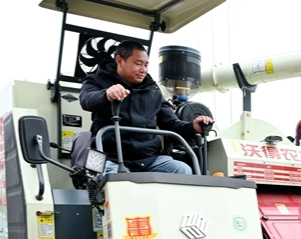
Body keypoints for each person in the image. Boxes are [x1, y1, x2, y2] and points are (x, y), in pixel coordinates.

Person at [80, 41, 213, 174]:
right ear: (120, 61)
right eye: (138, 64)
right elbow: (87, 100)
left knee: (183, 170)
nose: (143, 70)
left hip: (148, 158)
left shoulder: (153, 90)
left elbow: (171, 124)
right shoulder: (96, 80)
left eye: (146, 65)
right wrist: (106, 95)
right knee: (114, 180)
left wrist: (192, 127)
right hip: (107, 156)